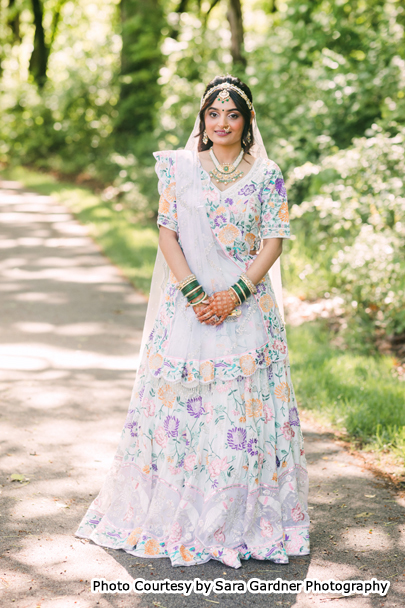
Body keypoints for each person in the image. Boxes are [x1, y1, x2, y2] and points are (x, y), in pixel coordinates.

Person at [76, 75, 310, 569]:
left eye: (232, 114)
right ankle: (176, 515)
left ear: (247, 122)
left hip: (246, 307)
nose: (222, 123)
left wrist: (234, 295)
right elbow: (168, 233)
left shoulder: (267, 174)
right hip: (186, 305)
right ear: (202, 120)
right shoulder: (179, 168)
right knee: (182, 411)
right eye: (213, 114)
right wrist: (195, 294)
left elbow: (274, 241)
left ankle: (239, 518)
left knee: (239, 414)